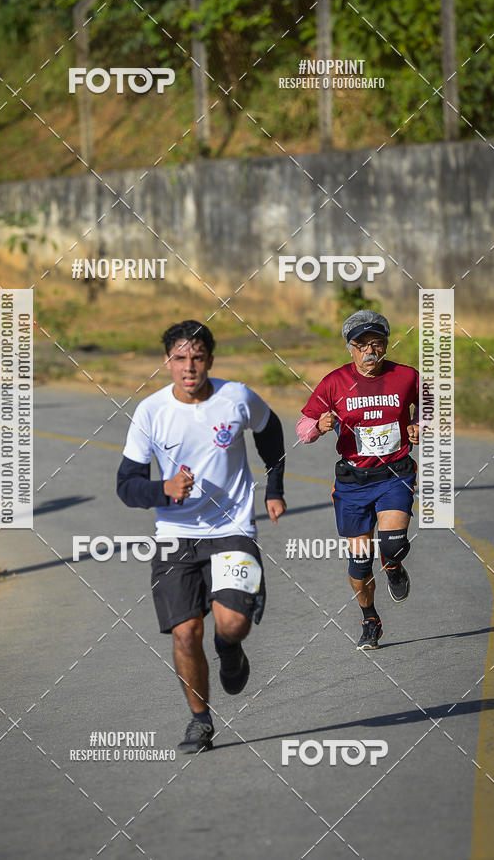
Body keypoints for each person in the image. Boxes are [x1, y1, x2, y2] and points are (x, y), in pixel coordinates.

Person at [117, 320, 287, 752]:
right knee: (184, 633)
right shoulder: (150, 412)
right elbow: (126, 484)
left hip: (232, 529)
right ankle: (200, 721)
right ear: (167, 362)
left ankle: (229, 648)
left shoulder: (237, 398)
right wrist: (163, 490)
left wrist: (275, 487)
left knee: (232, 624)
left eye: (196, 357)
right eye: (179, 358)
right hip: (175, 534)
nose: (188, 367)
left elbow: (271, 429)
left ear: (210, 360)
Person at [296, 310, 419, 650]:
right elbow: (303, 426)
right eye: (361, 345)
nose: (370, 352)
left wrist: (418, 423)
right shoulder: (334, 382)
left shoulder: (406, 376)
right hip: (353, 481)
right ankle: (370, 619)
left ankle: (392, 563)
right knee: (360, 562)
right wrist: (318, 428)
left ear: (385, 345)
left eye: (377, 344)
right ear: (350, 348)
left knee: (393, 543)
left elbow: (428, 405)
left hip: (394, 473)